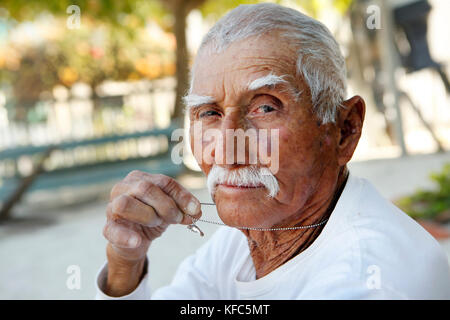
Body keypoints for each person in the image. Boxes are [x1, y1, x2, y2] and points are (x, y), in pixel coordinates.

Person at [95, 3, 450, 299]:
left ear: (344, 131)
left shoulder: (366, 279)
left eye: (265, 108)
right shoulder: (251, 238)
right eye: (210, 113)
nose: (227, 152)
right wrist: (126, 261)